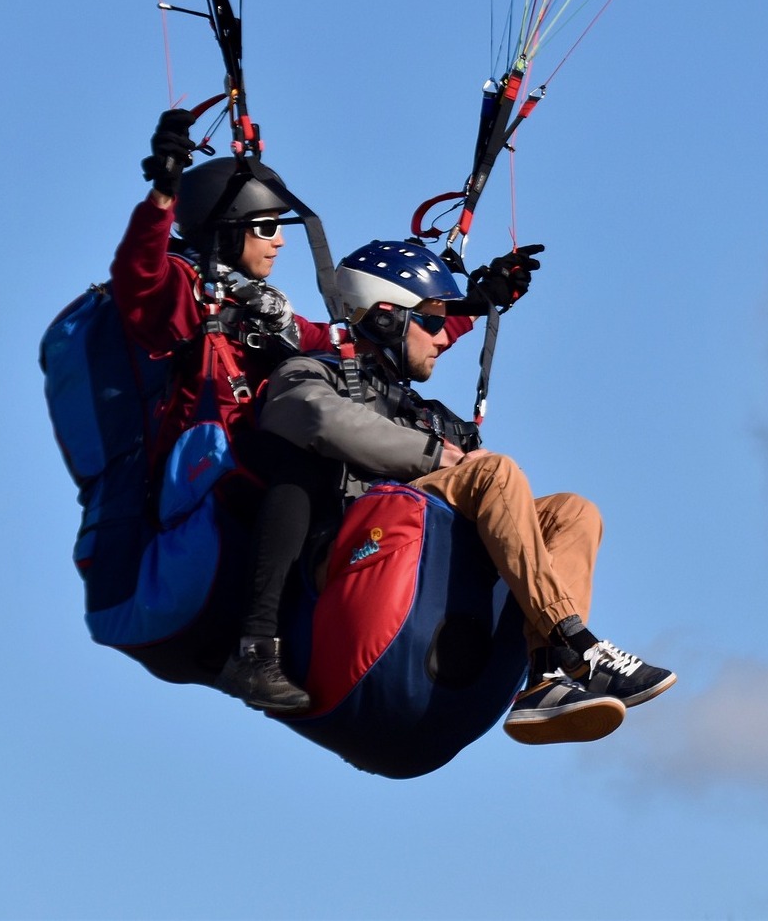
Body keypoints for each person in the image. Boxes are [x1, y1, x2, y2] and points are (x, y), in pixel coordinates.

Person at [110, 110, 535, 716]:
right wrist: (162, 197)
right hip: (205, 468)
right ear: (227, 232)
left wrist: (472, 306)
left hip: (253, 463)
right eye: (265, 228)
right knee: (303, 455)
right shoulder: (184, 296)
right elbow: (139, 282)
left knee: (332, 437)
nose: (280, 239)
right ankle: (256, 650)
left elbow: (364, 344)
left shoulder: (273, 315)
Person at [258, 239, 676, 745]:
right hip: (349, 551)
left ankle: (545, 677)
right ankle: (576, 643)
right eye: (433, 321)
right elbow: (317, 418)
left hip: (413, 547)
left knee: (572, 512)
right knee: (495, 472)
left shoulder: (420, 409)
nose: (441, 337)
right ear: (388, 320)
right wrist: (443, 456)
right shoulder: (311, 373)